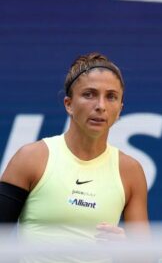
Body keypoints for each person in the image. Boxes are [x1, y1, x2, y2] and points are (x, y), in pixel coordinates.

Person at [0, 52, 150, 261]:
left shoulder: (130, 171)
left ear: (120, 110)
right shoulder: (31, 158)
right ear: (68, 104)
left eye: (111, 96)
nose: (100, 105)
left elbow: (144, 257)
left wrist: (127, 249)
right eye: (89, 94)